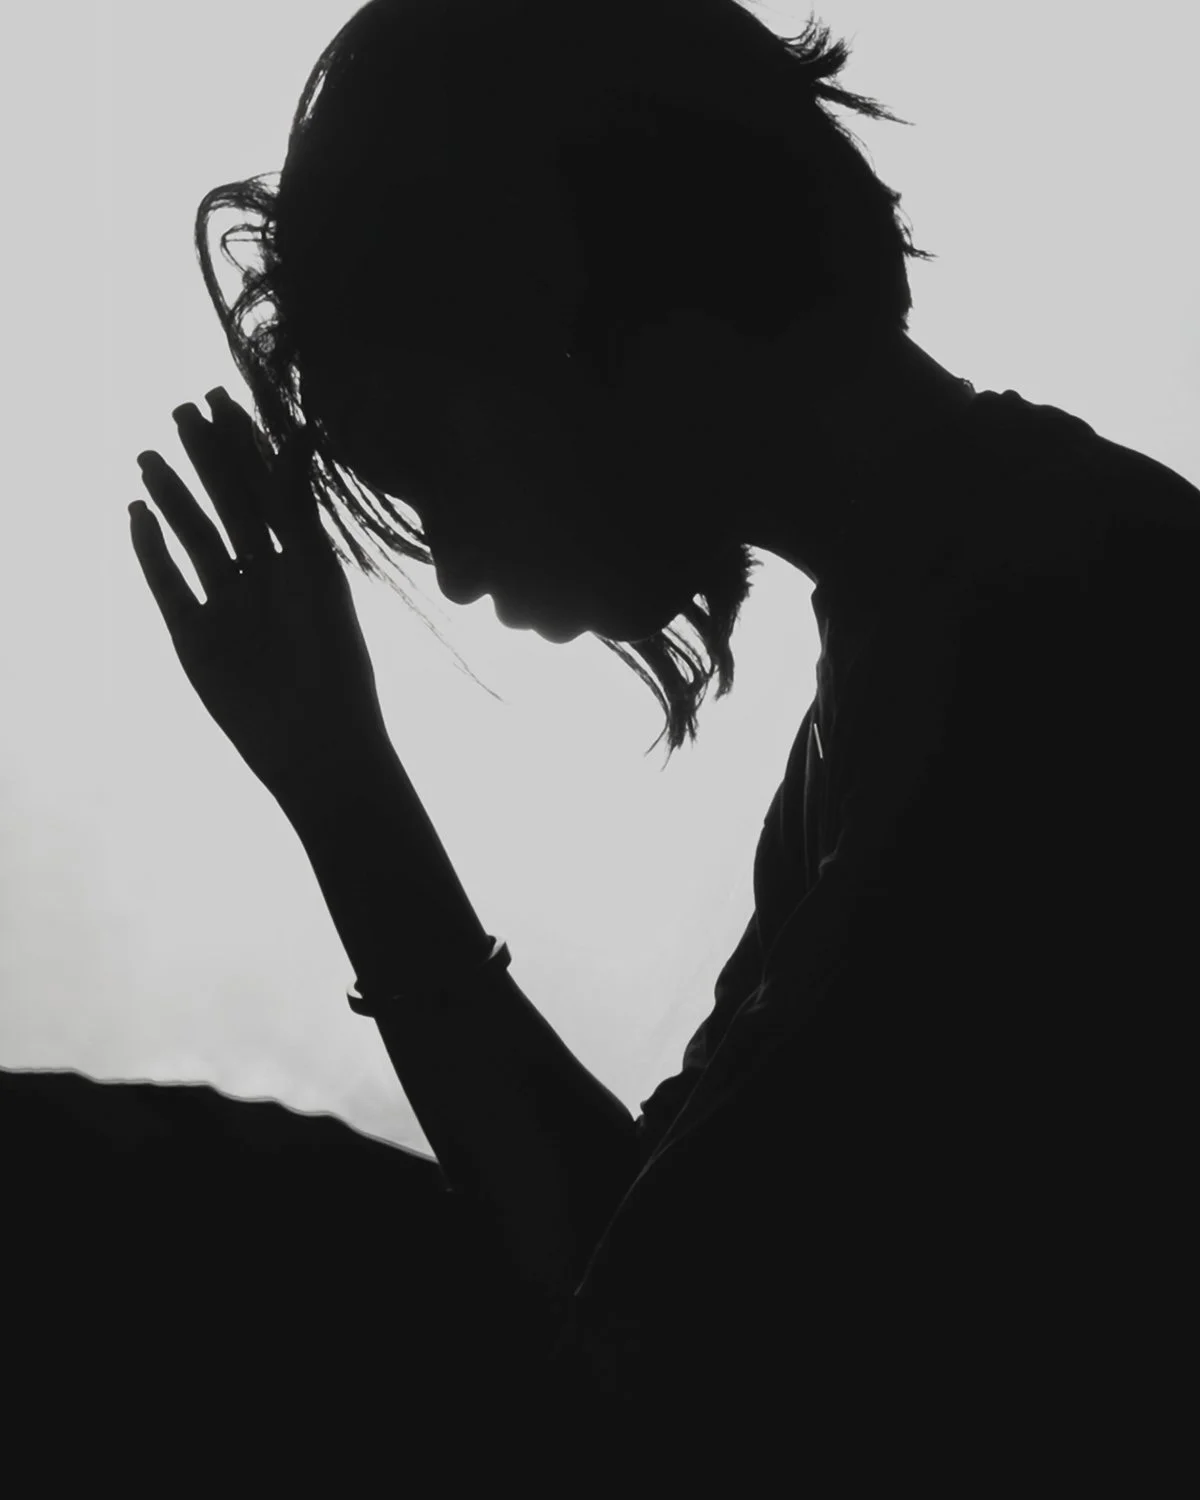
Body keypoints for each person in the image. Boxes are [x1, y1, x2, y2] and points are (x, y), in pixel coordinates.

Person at [6, 0, 1195, 1483]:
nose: (447, 566)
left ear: (559, 314)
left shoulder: (1059, 636)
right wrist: (338, 788)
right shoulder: (927, 654)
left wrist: (345, 795)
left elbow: (665, 1342)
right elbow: (641, 1257)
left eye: (430, 458)